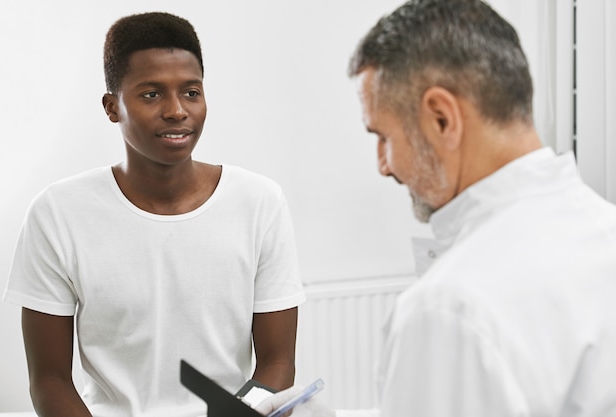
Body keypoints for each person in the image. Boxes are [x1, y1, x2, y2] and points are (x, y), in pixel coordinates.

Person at [257, 0, 616, 416]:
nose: (383, 165)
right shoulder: (604, 231)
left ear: (442, 119)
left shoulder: (450, 308)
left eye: (383, 136)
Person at [3, 11, 305, 417]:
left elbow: (277, 361)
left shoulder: (259, 202)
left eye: (191, 92)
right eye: (151, 94)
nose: (177, 110)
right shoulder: (58, 213)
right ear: (112, 107)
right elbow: (49, 379)